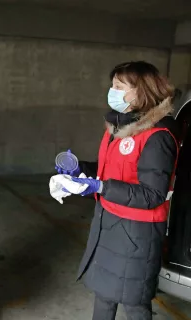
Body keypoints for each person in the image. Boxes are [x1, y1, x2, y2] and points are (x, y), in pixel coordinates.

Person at [56, 61, 180, 320]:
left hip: (137, 235)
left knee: (134, 303)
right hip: (108, 223)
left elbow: (151, 194)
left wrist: (100, 187)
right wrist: (81, 170)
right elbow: (108, 172)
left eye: (119, 86)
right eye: (112, 85)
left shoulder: (158, 135)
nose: (112, 91)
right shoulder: (117, 128)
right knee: (104, 294)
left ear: (141, 91)